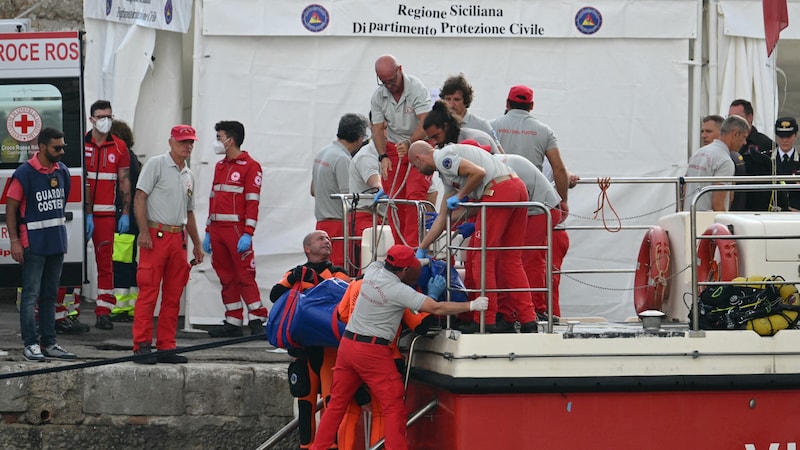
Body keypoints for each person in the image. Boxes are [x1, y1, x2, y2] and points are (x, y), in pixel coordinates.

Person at [309, 244, 488, 450]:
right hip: (373, 352)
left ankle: (318, 447)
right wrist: (471, 305)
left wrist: (421, 258)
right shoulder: (398, 291)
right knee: (394, 408)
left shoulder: (374, 270)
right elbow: (435, 308)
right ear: (404, 270)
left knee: (337, 405)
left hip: (348, 345)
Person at [410, 141, 537, 333]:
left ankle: (485, 319)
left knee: (480, 256)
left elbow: (478, 173)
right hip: (515, 187)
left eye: (414, 165)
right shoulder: (447, 175)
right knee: (511, 259)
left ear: (420, 158)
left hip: (497, 191)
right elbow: (443, 218)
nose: (417, 171)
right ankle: (528, 319)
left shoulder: (444, 158)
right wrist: (422, 246)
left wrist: (461, 195)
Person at [269, 230, 350, 450]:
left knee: (332, 404)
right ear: (307, 248)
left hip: (329, 351)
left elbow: (348, 296)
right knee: (305, 403)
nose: (327, 242)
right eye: (321, 239)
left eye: (329, 239)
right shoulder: (295, 273)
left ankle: (331, 446)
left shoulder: (338, 274)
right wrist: (295, 278)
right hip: (303, 351)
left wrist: (316, 281)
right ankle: (306, 446)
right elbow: (275, 295)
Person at [131, 125, 204, 364]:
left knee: (173, 296)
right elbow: (140, 196)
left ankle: (166, 345)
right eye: (183, 142)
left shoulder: (188, 175)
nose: (188, 146)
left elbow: (189, 212)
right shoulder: (156, 164)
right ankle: (141, 345)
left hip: (177, 238)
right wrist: (144, 232)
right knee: (149, 292)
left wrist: (196, 244)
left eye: (191, 142)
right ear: (171, 142)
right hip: (156, 234)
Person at [6, 127, 77, 361]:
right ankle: (31, 344)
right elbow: (11, 208)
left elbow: (62, 204)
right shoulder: (25, 172)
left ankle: (49, 343)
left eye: (63, 147)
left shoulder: (63, 171)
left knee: (50, 295)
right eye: (57, 148)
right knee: (30, 295)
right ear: (42, 147)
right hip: (33, 243)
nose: (61, 151)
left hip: (55, 242)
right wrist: (15, 241)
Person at [204, 120, 268, 338]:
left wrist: (248, 233)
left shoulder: (251, 166)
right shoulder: (220, 166)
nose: (217, 142)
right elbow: (213, 198)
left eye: (219, 137)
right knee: (225, 276)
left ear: (230, 140)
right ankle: (233, 320)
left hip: (236, 231)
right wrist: (207, 230)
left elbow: (253, 202)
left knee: (245, 276)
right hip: (218, 230)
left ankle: (257, 319)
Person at [371, 55, 432, 247]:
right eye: (384, 82)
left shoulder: (416, 88)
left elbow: (426, 122)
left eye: (392, 81)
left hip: (418, 145)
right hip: (394, 149)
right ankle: (399, 249)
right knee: (394, 201)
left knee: (414, 198)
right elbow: (378, 129)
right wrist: (382, 156)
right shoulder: (378, 96)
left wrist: (410, 142)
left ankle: (413, 248)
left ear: (400, 70)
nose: (389, 86)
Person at [84, 100, 131, 330]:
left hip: (107, 215)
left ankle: (104, 311)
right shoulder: (80, 143)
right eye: (101, 116)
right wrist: (85, 212)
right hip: (82, 215)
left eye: (109, 116)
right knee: (72, 261)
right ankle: (63, 311)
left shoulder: (120, 147)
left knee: (105, 264)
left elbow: (124, 182)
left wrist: (126, 213)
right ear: (91, 118)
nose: (106, 121)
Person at [491, 85, 569, 221]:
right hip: (533, 204)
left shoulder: (491, 126)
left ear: (507, 103)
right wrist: (563, 200)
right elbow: (559, 169)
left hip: (498, 200)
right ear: (531, 105)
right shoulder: (544, 131)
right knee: (529, 242)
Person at [311, 113, 370, 272]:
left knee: (323, 272)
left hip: (321, 223)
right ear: (359, 139)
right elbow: (349, 199)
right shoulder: (343, 159)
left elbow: (313, 190)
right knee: (339, 273)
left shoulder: (322, 152)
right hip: (338, 226)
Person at [110, 119, 142, 322]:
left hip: (125, 217)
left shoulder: (125, 158)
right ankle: (130, 305)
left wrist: (123, 213)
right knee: (129, 262)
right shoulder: (133, 158)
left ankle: (121, 307)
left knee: (121, 262)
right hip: (132, 218)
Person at [683, 115, 749, 212]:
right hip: (707, 222)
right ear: (735, 134)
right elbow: (718, 205)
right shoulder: (725, 161)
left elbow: (684, 191)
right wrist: (725, 224)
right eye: (743, 137)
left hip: (688, 218)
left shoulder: (698, 153)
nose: (745, 142)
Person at [728, 99, 775, 211]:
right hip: (733, 201)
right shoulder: (727, 143)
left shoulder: (765, 144)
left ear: (750, 118)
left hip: (755, 206)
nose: (733, 121)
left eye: (737, 116)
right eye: (730, 117)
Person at [423, 100, 500, 153]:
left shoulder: (477, 139)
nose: (434, 142)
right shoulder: (441, 147)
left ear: (446, 127)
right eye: (431, 138)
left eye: (436, 136)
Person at [439, 73, 498, 139]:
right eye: (448, 99)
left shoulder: (481, 125)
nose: (451, 104)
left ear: (466, 101)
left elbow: (497, 148)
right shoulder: (438, 124)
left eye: (456, 100)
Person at [772, 117, 800, 211]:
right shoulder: (767, 159)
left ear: (795, 135)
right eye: (781, 136)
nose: (784, 140)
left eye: (788, 136)